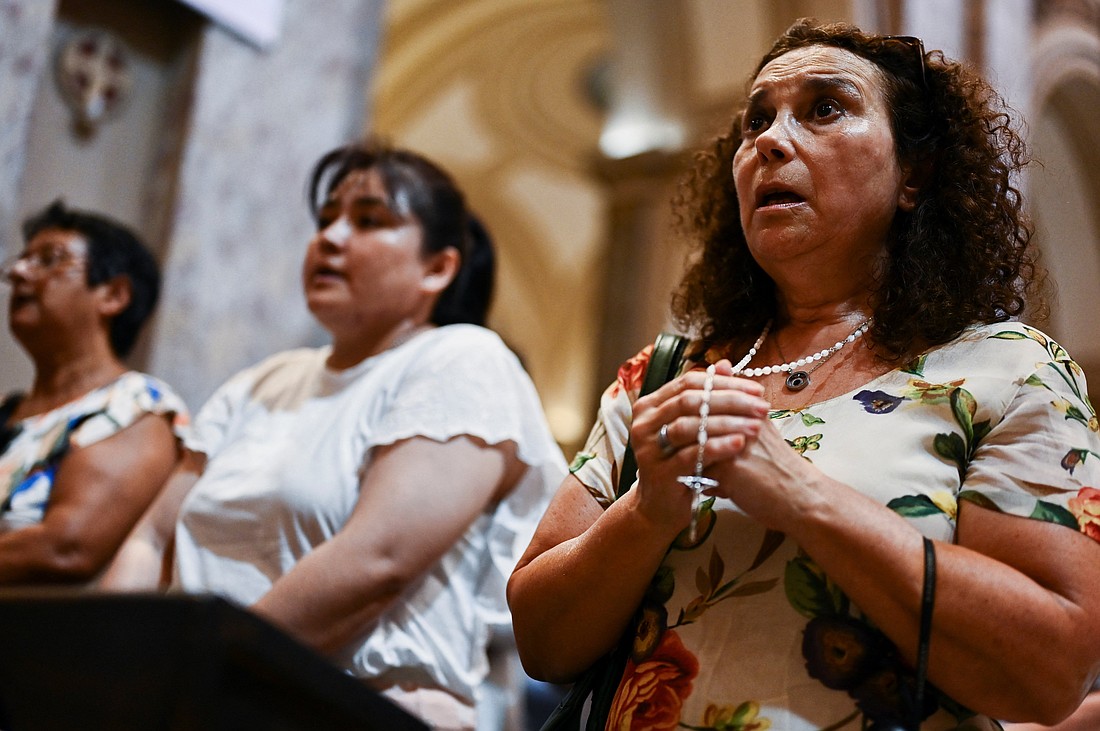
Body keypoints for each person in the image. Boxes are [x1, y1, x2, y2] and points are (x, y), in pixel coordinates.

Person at [508, 18, 1100, 731]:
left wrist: (796, 492)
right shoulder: (661, 375)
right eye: (757, 119)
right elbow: (540, 640)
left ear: (914, 175)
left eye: (825, 108)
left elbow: (1046, 672)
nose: (770, 140)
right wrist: (648, 508)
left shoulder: (1009, 368)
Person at [103, 139, 566, 731]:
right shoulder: (265, 380)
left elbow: (378, 562)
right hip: (196, 697)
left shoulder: (464, 360)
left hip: (355, 706)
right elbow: (152, 534)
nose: (331, 237)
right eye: (325, 220)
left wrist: (195, 669)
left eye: (369, 220)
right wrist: (111, 664)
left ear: (438, 267)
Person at [0, 201, 187, 584]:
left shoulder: (135, 407)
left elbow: (66, 549)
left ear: (114, 295)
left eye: (49, 260)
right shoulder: (8, 410)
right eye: (21, 261)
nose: (19, 272)